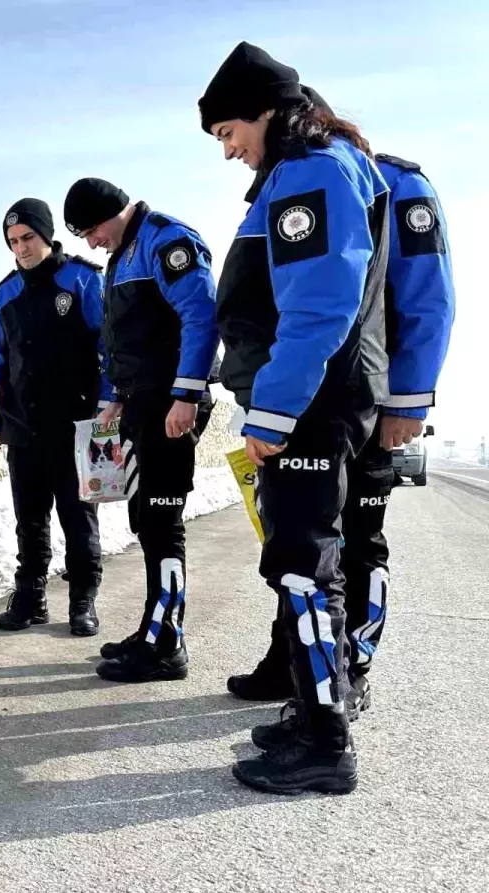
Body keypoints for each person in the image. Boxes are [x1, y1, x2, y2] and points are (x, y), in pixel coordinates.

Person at [226, 86, 456, 721]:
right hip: (318, 393)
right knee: (307, 543)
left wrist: (407, 401)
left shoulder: (393, 183)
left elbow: (425, 301)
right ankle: (299, 673)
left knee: (354, 544)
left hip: (364, 397)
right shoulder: (291, 182)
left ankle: (348, 675)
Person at [200, 41, 391, 794]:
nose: (228, 152)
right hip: (316, 401)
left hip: (309, 405)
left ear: (266, 110)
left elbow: (318, 306)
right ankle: (315, 708)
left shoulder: (311, 172)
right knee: (308, 563)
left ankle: (323, 740)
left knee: (303, 569)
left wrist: (274, 413)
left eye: (227, 133)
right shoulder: (313, 168)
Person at [62, 178, 219, 682]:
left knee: (162, 523)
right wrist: (112, 397)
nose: (90, 242)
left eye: (91, 230)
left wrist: (187, 394)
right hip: (141, 405)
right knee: (146, 522)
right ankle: (153, 628)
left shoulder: (165, 242)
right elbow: (120, 338)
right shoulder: (122, 256)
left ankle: (167, 644)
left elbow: (201, 316)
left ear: (114, 212)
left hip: (170, 405)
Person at [0, 198, 111, 637]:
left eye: (28, 238)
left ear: (46, 235)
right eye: (13, 242)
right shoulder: (5, 294)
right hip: (23, 428)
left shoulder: (81, 280)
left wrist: (106, 406)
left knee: (79, 518)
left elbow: (107, 349)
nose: (21, 248)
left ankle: (82, 600)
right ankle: (30, 597)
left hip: (77, 426)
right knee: (30, 519)